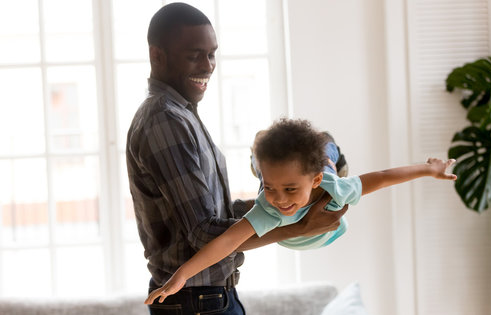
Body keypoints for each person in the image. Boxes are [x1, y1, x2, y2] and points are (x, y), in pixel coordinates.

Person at [125, 3, 346, 315]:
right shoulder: (164, 120)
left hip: (209, 298)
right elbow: (203, 234)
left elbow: (220, 213)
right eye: (195, 55)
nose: (208, 66)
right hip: (198, 302)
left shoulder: (180, 114)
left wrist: (283, 203)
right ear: (158, 55)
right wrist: (298, 226)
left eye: (212, 55)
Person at [144, 118, 457, 305]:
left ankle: (326, 149)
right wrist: (182, 274)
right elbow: (227, 242)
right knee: (265, 165)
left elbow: (384, 176)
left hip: (326, 191)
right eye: (272, 189)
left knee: (326, 151)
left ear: (315, 181)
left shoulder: (333, 187)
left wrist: (429, 169)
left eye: (290, 190)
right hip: (297, 217)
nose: (280, 199)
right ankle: (259, 157)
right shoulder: (268, 207)